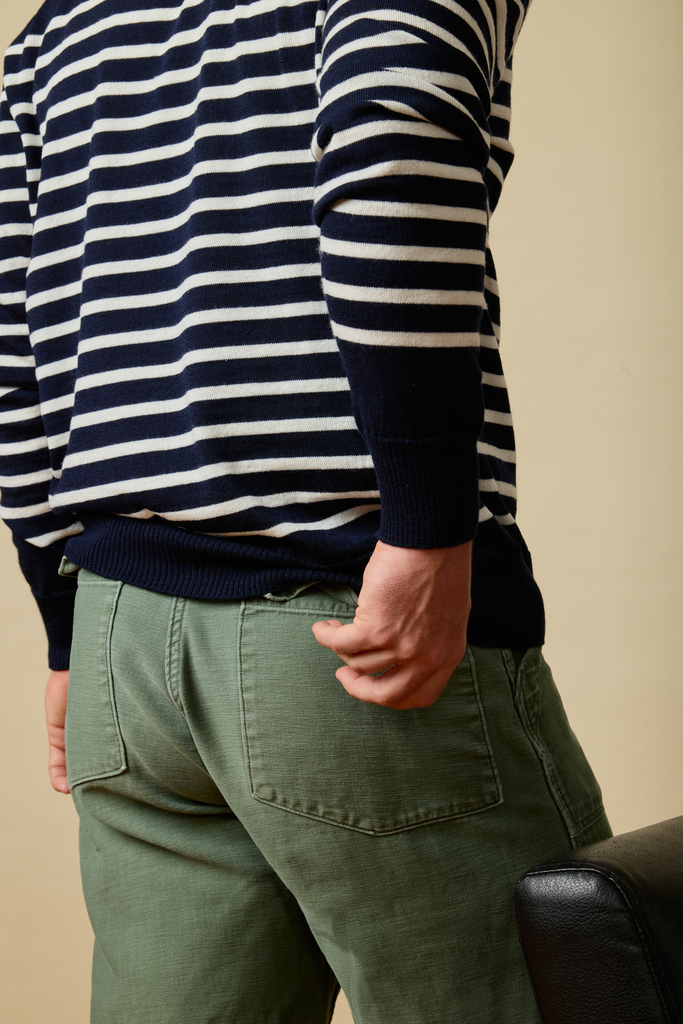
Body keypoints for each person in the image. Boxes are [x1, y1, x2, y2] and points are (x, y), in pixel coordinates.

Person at [0, 0, 611, 1020]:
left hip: (122, 645)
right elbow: (391, 134)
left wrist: (64, 622)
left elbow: (14, 322)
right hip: (344, 620)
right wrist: (423, 520)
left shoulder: (62, 25)